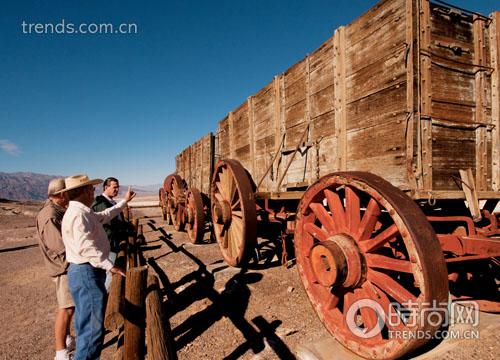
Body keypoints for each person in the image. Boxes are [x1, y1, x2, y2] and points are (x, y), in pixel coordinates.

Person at [61, 174, 135, 360]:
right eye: (91, 189)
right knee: (92, 330)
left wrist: (122, 203)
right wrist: (110, 266)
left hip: (83, 272)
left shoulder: (82, 211)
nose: (93, 192)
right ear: (84, 191)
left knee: (85, 323)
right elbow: (85, 247)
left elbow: (103, 216)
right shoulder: (78, 214)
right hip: (86, 272)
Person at [36, 178, 75, 360]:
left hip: (63, 265)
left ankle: (66, 339)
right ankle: (60, 352)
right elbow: (59, 246)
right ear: (61, 194)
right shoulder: (51, 215)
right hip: (62, 267)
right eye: (68, 192)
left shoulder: (55, 210)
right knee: (65, 308)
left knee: (68, 307)